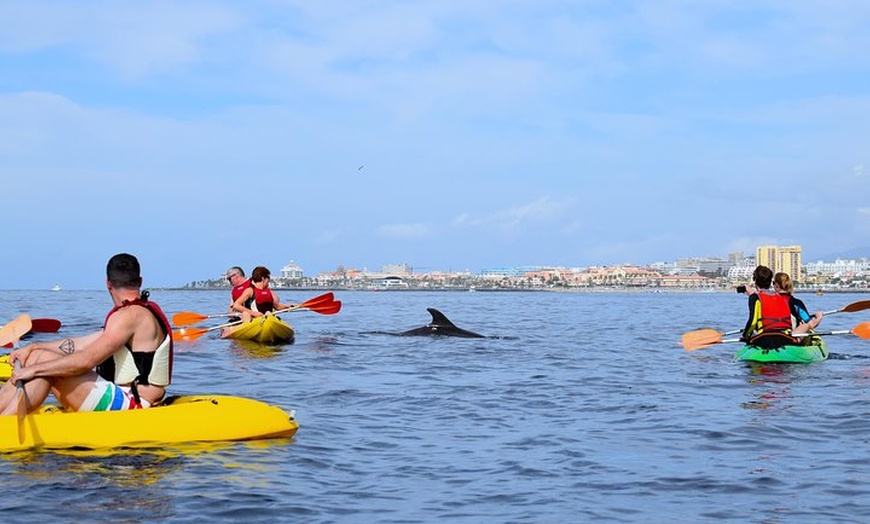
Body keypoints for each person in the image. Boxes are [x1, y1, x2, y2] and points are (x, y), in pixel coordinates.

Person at [0, 253, 173, 415]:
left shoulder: (129, 316)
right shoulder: (137, 314)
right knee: (38, 355)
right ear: (140, 281)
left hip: (134, 404)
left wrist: (32, 370)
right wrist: (33, 347)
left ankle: (7, 422)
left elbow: (85, 361)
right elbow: (79, 345)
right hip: (127, 397)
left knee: (44, 363)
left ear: (108, 284)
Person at [740, 265, 798, 349]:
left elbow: (752, 322)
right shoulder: (779, 296)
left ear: (755, 280)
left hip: (764, 337)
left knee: (751, 334)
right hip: (784, 337)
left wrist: (745, 336)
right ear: (771, 281)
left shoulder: (755, 297)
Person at [230, 266, 295, 319]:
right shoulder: (250, 291)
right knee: (246, 314)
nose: (269, 280)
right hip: (254, 319)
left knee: (268, 313)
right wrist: (254, 313)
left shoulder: (269, 292)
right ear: (263, 278)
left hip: (267, 318)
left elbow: (277, 306)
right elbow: (236, 305)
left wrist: (289, 306)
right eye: (268, 278)